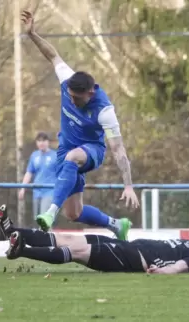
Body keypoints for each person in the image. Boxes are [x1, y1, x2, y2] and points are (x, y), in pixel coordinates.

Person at [19, 10, 139, 240]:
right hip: (66, 152)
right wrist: (33, 34)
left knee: (72, 157)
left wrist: (129, 186)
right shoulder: (67, 81)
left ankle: (50, 213)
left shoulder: (105, 110)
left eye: (77, 98)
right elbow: (53, 56)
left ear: (91, 92)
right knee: (74, 213)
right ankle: (116, 225)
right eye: (70, 96)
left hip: (92, 151)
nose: (72, 100)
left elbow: (118, 149)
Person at [0, 205, 189, 274]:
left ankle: (21, 250)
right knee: (68, 237)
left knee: (75, 251)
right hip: (128, 248)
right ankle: (11, 231)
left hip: (131, 260)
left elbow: (182, 266)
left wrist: (164, 272)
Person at [19, 132, 57, 219]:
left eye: (44, 140)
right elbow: (29, 172)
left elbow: (62, 174)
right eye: (39, 141)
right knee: (36, 218)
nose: (41, 143)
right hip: (36, 191)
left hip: (50, 191)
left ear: (48, 142)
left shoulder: (55, 156)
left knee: (44, 217)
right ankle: (42, 232)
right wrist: (23, 188)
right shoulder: (34, 155)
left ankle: (46, 232)